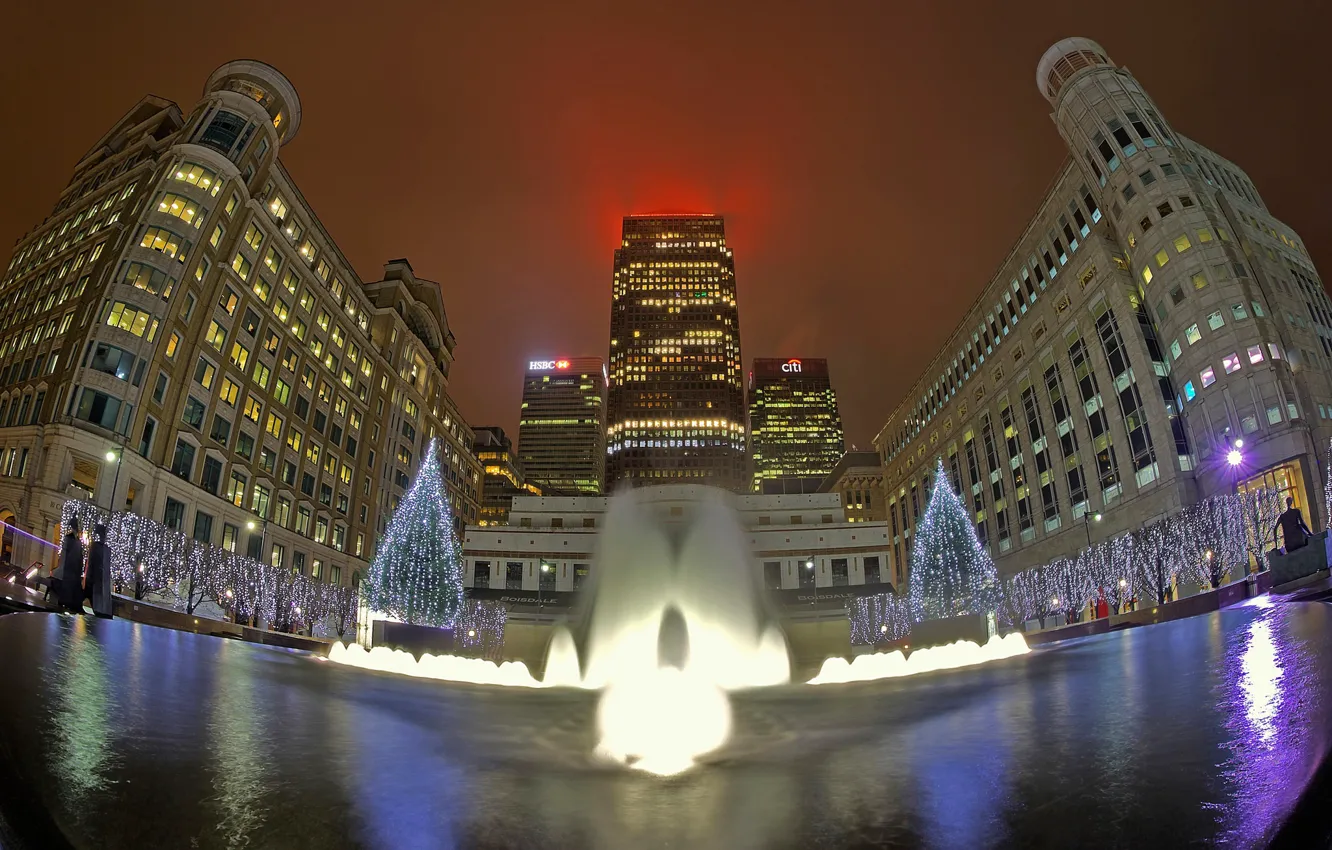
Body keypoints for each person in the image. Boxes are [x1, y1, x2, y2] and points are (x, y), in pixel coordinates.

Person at [57, 516, 86, 613]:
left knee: (70, 592)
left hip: (72, 571)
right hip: (70, 571)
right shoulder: (73, 539)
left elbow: (66, 556)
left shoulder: (74, 539)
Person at [85, 523, 113, 618]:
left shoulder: (100, 548)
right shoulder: (104, 549)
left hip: (97, 581)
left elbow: (91, 563)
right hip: (98, 581)